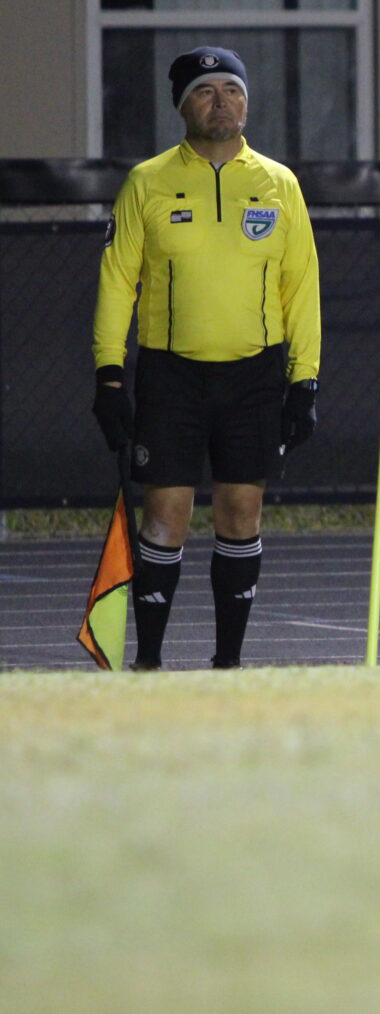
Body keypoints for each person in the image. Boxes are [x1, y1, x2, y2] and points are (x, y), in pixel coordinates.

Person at [90, 47, 323, 670]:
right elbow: (118, 283)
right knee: (165, 516)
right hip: (173, 375)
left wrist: (304, 381)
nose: (222, 100)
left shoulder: (278, 184)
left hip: (254, 375)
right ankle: (149, 664)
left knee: (241, 512)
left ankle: (227, 666)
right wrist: (109, 375)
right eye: (205, 90)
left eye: (232, 89)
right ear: (182, 105)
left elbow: (301, 285)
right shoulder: (148, 182)